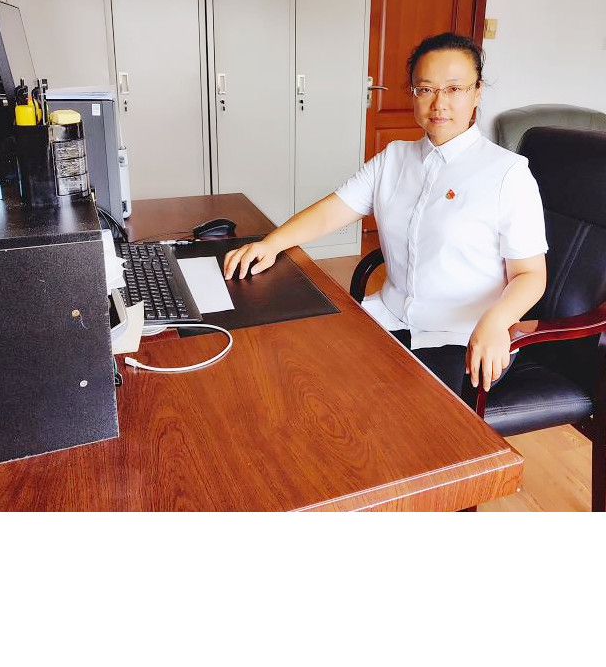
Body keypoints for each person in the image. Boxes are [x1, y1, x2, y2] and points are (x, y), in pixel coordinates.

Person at [224, 32, 548, 398]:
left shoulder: (507, 173)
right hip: (387, 319)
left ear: (477, 92)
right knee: (301, 374)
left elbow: (530, 274)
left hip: (465, 339)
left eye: (455, 89)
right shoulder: (394, 158)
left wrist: (497, 321)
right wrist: (271, 243)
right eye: (425, 89)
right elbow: (332, 211)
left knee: (385, 412)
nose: (439, 103)